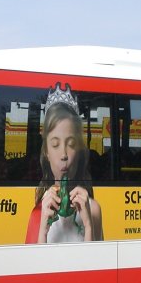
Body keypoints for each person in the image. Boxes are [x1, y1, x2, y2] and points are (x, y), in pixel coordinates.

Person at [25, 83, 103, 243]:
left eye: (71, 144)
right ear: (46, 151)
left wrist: (88, 226)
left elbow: (97, 265)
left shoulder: (93, 209)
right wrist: (43, 231)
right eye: (55, 144)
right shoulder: (39, 211)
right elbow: (35, 266)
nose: (64, 155)